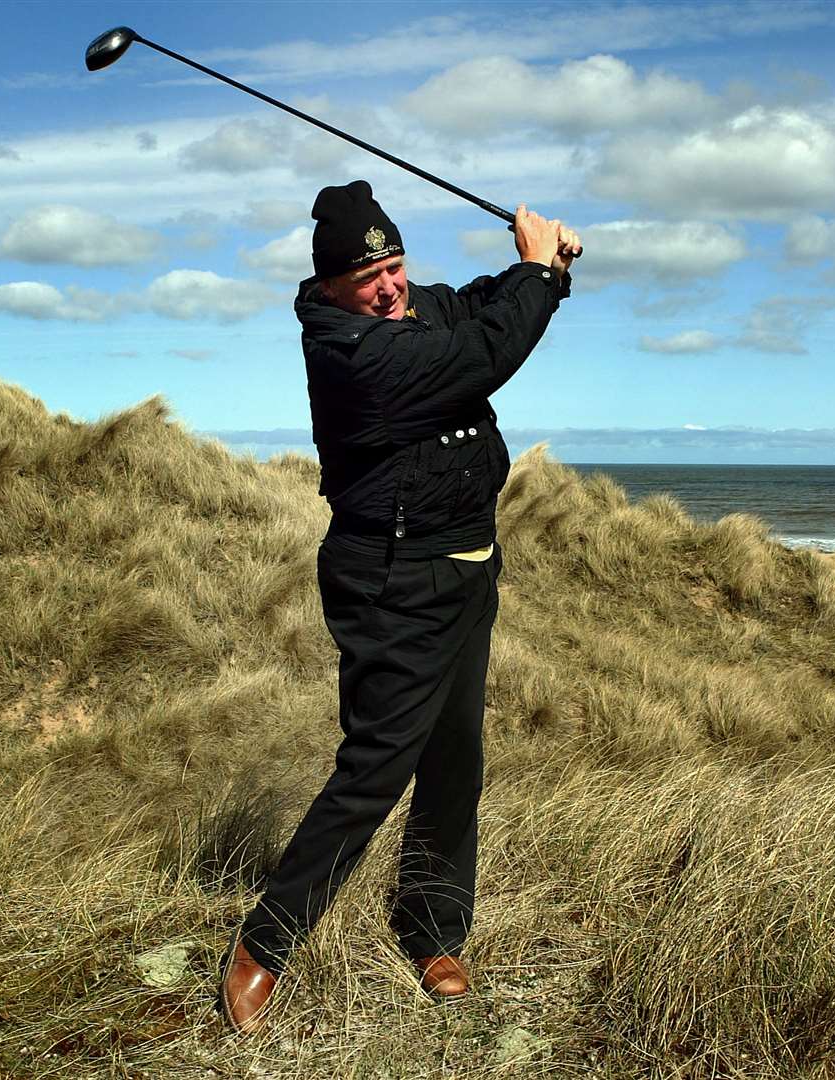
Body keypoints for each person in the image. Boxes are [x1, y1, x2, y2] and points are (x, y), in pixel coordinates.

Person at [218, 180, 580, 1033]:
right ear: (330, 288)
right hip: (392, 580)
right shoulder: (353, 353)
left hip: (467, 569)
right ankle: (264, 944)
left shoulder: (416, 309)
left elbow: (484, 302)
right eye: (368, 276)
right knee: (377, 765)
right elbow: (484, 353)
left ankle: (433, 929)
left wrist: (546, 272)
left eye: (395, 264)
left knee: (456, 757)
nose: (388, 287)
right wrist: (537, 274)